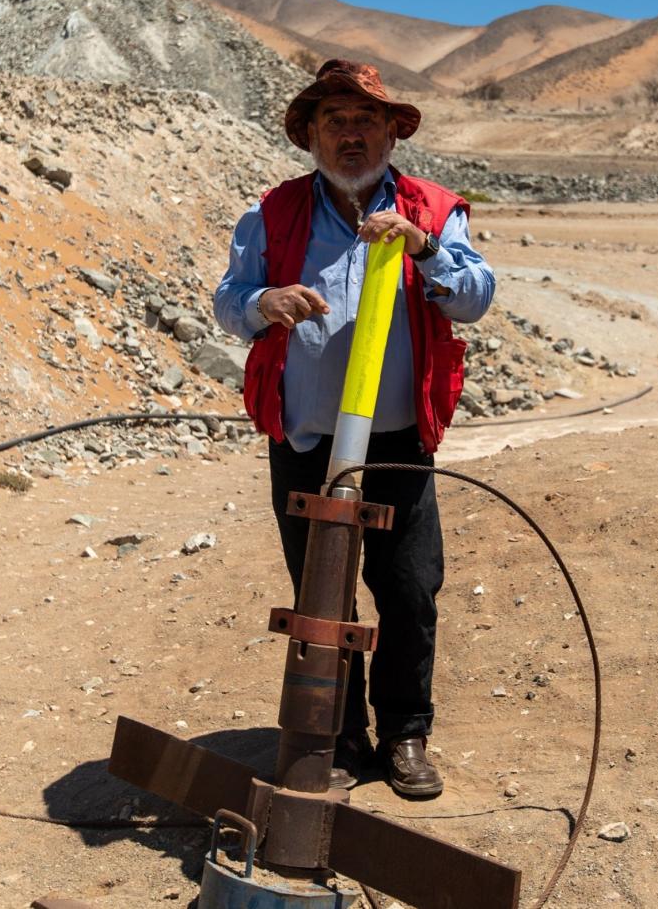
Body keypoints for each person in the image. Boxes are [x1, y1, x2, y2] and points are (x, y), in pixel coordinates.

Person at [214, 59, 495, 798]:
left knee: (407, 588)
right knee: (323, 595)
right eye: (333, 121)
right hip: (305, 440)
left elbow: (476, 294)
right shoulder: (271, 213)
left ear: (391, 132)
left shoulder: (433, 209)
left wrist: (426, 249)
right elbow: (229, 297)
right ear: (309, 133)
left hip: (398, 444)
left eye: (364, 121)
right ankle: (337, 738)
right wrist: (264, 301)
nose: (349, 136)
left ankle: (405, 733)